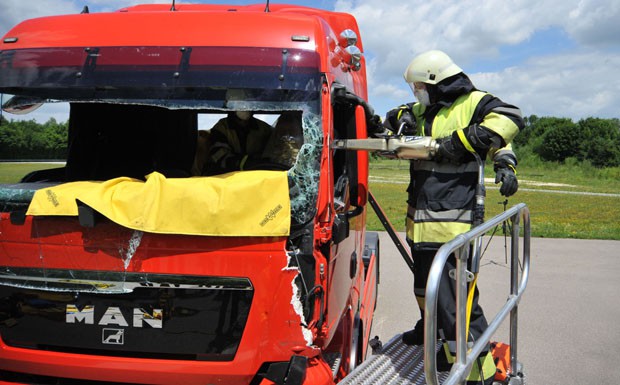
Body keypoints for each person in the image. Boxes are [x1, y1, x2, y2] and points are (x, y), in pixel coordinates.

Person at [384, 50, 524, 385]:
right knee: (424, 288)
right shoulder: (422, 109)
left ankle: (480, 374)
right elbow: (394, 118)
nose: (415, 91)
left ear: (436, 80)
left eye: (419, 85)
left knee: (455, 301)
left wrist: (459, 144)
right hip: (419, 219)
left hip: (455, 220)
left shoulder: (476, 103)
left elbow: (508, 120)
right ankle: (432, 337)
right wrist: (397, 122)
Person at [202, 111, 273, 175]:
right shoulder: (221, 128)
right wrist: (245, 163)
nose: (244, 108)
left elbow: (274, 153)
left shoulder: (264, 129)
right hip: (225, 178)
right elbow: (219, 156)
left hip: (258, 177)